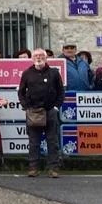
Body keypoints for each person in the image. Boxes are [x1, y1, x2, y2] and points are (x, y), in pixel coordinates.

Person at [18, 48, 65, 178]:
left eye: (41, 56)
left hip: (50, 111)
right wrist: (26, 106)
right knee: (34, 142)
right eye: (36, 56)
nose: (39, 58)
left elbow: (61, 92)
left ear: (46, 58)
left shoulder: (54, 73)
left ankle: (53, 168)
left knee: (52, 141)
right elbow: (21, 92)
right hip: (34, 112)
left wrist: (56, 106)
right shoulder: (27, 73)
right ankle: (33, 168)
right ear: (32, 59)